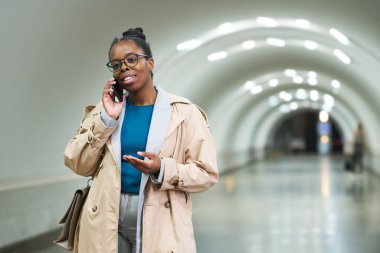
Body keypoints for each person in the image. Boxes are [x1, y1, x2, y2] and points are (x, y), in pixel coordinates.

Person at [63, 27, 219, 253]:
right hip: (105, 216)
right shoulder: (103, 112)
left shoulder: (184, 113)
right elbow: (78, 164)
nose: (124, 67)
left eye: (132, 59)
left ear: (150, 64)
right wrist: (107, 120)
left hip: (159, 216)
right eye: (116, 64)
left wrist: (162, 168)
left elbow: (207, 173)